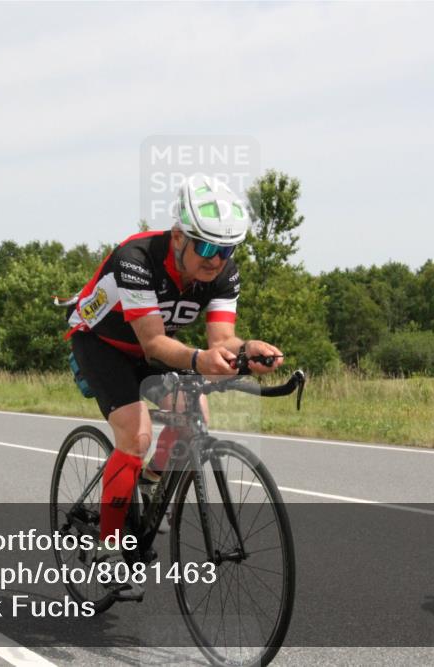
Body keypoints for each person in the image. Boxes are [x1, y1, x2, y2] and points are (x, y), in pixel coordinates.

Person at [64, 174, 284, 600]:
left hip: (153, 349)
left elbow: (222, 341)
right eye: (205, 247)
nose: (215, 260)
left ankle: (146, 482)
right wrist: (200, 360)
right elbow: (152, 343)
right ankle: (109, 546)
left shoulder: (221, 273)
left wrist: (248, 349)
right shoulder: (137, 258)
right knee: (136, 434)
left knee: (195, 415)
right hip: (103, 343)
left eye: (226, 250)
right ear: (180, 236)